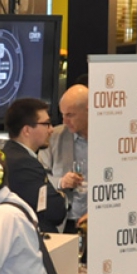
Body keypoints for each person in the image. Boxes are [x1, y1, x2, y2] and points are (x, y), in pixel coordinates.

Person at [3, 97, 67, 233]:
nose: (51, 130)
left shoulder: (11, 154)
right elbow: (55, 211)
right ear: (27, 130)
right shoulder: (24, 163)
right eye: (46, 124)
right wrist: (62, 195)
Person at [40, 84, 88, 233]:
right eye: (62, 115)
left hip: (98, 222)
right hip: (63, 223)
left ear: (88, 110)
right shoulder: (54, 137)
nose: (65, 121)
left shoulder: (110, 139)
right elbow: (39, 177)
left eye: (70, 115)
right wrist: (61, 182)